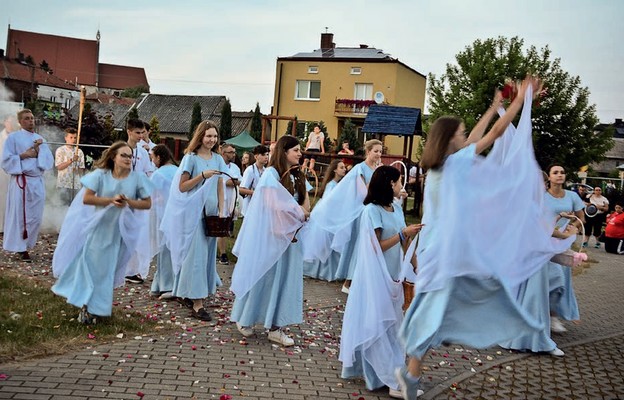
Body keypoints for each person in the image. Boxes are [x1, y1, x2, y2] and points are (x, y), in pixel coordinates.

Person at [396, 77, 573, 399]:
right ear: (451, 139)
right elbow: (493, 135)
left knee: (433, 308)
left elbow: (480, 135)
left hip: (438, 250)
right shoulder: (457, 164)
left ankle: (411, 376)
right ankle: (520, 327)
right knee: (470, 297)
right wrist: (520, 101)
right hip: (450, 253)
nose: (466, 136)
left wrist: (494, 106)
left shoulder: (438, 166)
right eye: (461, 133)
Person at [339, 166, 422, 398]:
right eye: (398, 182)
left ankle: (395, 373)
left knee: (392, 326)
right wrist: (403, 234)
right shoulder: (371, 211)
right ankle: (388, 378)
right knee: (378, 324)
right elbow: (376, 247)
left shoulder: (396, 208)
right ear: (389, 184)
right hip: (375, 275)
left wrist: (416, 266)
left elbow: (406, 244)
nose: (401, 186)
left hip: (394, 275)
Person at [51, 141, 152, 324]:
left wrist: (128, 202)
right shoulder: (100, 175)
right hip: (98, 231)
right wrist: (110, 200)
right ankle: (86, 307)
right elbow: (87, 199)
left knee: (107, 272)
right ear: (113, 156)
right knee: (92, 270)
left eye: (130, 156)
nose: (128, 159)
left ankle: (97, 307)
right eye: (124, 155)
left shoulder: (137, 179)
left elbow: (147, 203)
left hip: (119, 233)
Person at [230, 135, 311, 347]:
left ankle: (276, 326)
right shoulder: (271, 175)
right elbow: (272, 205)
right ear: (284, 151)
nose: (300, 154)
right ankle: (245, 317)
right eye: (296, 150)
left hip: (292, 236)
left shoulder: (297, 174)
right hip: (273, 235)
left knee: (285, 281)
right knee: (263, 277)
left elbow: (305, 202)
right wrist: (297, 214)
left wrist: (302, 214)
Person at [499, 164, 583, 355]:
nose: (544, 187)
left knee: (543, 291)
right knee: (536, 294)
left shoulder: (535, 202)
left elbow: (543, 226)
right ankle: (534, 338)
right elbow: (538, 228)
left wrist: (560, 222)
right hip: (532, 255)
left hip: (540, 254)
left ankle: (536, 334)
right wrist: (564, 235)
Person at [161, 120, 226, 321]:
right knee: (196, 257)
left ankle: (185, 291)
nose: (212, 139)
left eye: (214, 136)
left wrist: (222, 209)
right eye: (208, 136)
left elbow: (220, 185)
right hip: (194, 214)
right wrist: (202, 176)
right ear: (200, 136)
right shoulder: (191, 158)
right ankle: (198, 303)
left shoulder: (218, 158)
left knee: (206, 257)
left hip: (212, 214)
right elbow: (182, 186)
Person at [2, 109, 54, 262]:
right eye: (27, 118)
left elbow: (48, 162)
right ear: (20, 122)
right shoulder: (13, 138)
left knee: (35, 216)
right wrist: (23, 155)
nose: (31, 121)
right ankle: (20, 248)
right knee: (20, 214)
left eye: (32, 118)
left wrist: (38, 151)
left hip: (36, 181)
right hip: (21, 182)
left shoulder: (39, 139)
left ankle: (28, 243)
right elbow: (5, 160)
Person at [332, 139, 383, 293]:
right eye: (376, 151)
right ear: (368, 152)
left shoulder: (378, 168)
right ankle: (348, 281)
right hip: (361, 212)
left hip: (374, 211)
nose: (379, 154)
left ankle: (361, 280)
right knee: (359, 246)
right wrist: (377, 178)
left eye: (381, 151)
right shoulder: (360, 168)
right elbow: (363, 192)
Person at [544, 165, 585, 334]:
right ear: (549, 178)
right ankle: (547, 316)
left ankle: (553, 316)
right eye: (555, 172)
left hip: (563, 245)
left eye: (562, 172)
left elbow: (580, 218)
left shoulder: (572, 196)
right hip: (544, 244)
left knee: (560, 283)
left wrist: (572, 228)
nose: (560, 175)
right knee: (553, 281)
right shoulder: (542, 197)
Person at [303, 160, 347, 281]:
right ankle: (323, 272)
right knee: (325, 244)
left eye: (344, 167)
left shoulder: (337, 185)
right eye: (341, 167)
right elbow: (329, 203)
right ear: (335, 170)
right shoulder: (331, 186)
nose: (344, 169)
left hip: (334, 218)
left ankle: (332, 271)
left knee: (331, 245)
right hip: (327, 218)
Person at [124, 118, 152, 284]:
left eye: (143, 132)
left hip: (138, 198)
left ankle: (132, 269)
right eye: (137, 132)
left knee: (137, 233)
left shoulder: (142, 152)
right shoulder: (121, 149)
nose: (141, 136)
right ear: (129, 132)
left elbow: (148, 172)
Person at [148, 144, 179, 299]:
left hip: (162, 216)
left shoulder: (158, 174)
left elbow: (152, 196)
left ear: (159, 157)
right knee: (174, 250)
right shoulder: (178, 170)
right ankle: (165, 283)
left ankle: (166, 284)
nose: (152, 161)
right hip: (177, 217)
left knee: (164, 251)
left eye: (153, 158)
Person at [217, 143, 242, 265]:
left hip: (231, 199)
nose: (233, 154)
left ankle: (223, 251)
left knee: (226, 227)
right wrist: (232, 181)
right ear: (223, 153)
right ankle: (222, 253)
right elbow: (225, 182)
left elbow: (238, 181)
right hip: (219, 199)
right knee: (220, 226)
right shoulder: (218, 165)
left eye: (234, 152)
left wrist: (233, 182)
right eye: (231, 152)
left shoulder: (235, 167)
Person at [55, 128, 86, 205]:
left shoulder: (79, 151)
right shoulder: (60, 150)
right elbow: (59, 167)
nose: (73, 140)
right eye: (71, 137)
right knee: (62, 206)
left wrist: (77, 170)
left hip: (76, 185)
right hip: (63, 184)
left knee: (75, 207)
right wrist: (71, 160)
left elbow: (81, 170)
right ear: (66, 138)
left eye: (75, 138)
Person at [0, 114, 19, 234]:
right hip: (1, 172)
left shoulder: (17, 138)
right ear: (4, 122)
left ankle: (10, 226)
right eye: (9, 122)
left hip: (13, 172)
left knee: (13, 199)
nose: (11, 125)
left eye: (13, 122)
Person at [239, 145, 269, 216]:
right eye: (263, 154)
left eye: (267, 154)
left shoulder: (266, 171)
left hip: (261, 206)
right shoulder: (250, 170)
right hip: (250, 206)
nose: (266, 157)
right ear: (256, 157)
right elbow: (241, 189)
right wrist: (255, 192)